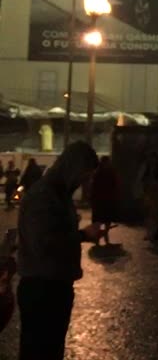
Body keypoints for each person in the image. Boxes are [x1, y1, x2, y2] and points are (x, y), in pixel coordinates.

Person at [16, 140, 101, 360]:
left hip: (55, 285)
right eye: (85, 175)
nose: (86, 181)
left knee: (50, 351)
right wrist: (82, 235)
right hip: (42, 288)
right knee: (39, 351)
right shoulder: (44, 196)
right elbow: (44, 243)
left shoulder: (58, 194)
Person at [88, 156, 121, 246]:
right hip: (103, 199)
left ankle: (100, 237)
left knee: (103, 219)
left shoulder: (99, 173)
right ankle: (101, 237)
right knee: (103, 219)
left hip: (103, 199)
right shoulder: (102, 173)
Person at [135, 152, 158, 243]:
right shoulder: (145, 168)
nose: (152, 161)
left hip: (156, 193)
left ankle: (153, 233)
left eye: (154, 159)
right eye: (151, 159)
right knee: (148, 214)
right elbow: (140, 180)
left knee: (155, 215)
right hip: (148, 193)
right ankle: (149, 233)